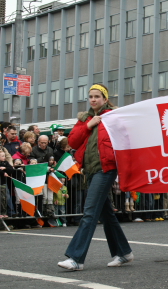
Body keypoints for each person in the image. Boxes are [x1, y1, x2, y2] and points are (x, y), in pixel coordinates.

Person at [58, 83, 133, 271]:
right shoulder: (85, 119)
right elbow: (73, 141)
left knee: (89, 212)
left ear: (105, 99)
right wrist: (89, 125)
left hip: (106, 169)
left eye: (97, 96)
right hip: (90, 171)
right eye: (90, 96)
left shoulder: (113, 117)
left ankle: (76, 258)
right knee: (106, 214)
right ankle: (123, 252)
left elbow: (126, 138)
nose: (93, 99)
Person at [0, 150, 15, 219]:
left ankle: (4, 212)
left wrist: (5, 168)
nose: (4, 157)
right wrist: (3, 173)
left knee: (4, 199)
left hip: (3, 183)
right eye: (2, 156)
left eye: (4, 156)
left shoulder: (5, 163)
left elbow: (11, 169)